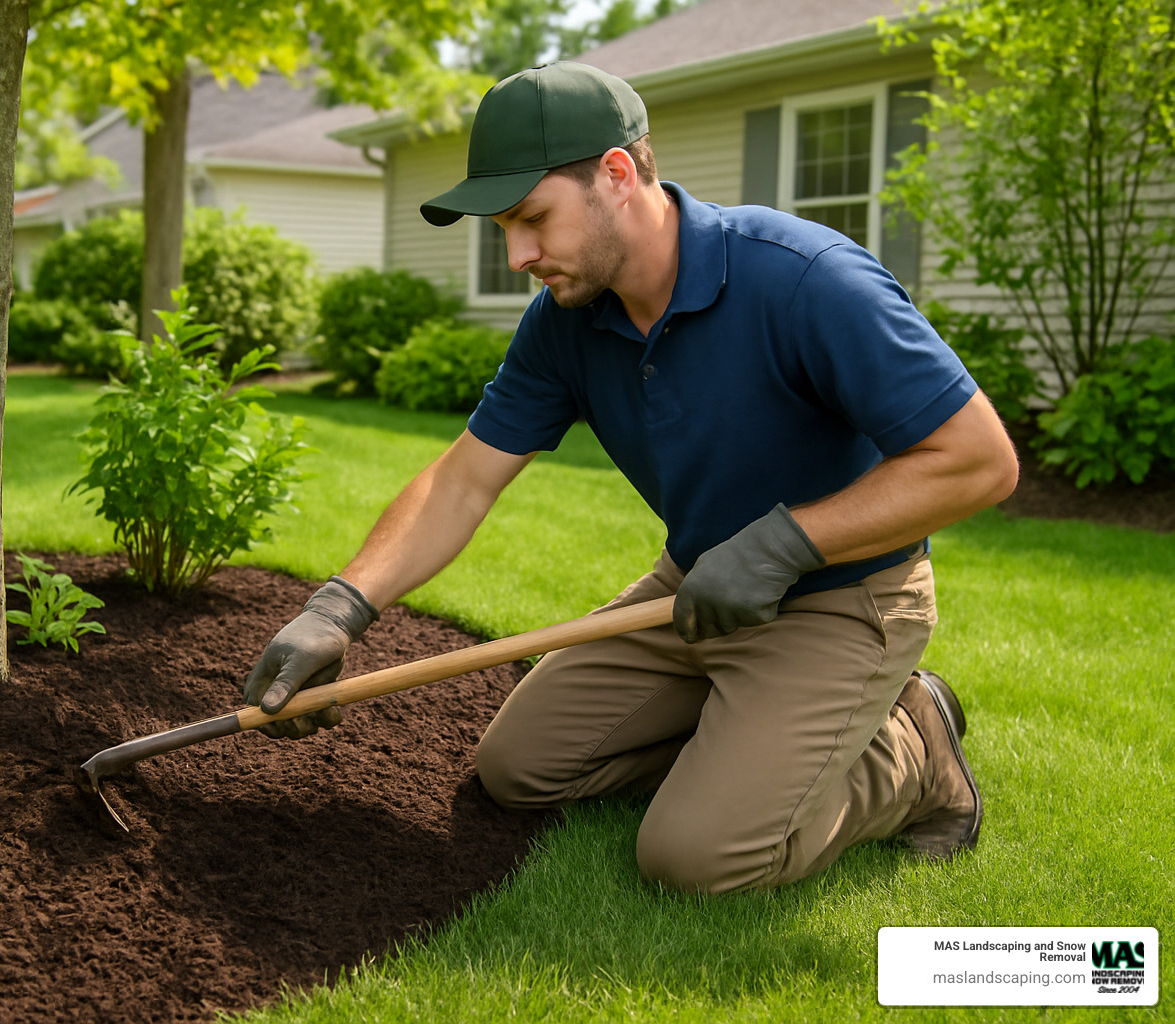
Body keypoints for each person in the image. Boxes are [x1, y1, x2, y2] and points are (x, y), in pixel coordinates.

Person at [242, 62, 1019, 893]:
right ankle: (747, 750)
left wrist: (788, 544)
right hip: (691, 588)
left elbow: (980, 461)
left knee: (695, 858)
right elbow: (463, 480)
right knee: (517, 770)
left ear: (617, 173)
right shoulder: (567, 322)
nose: (516, 255)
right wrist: (338, 608)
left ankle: (914, 748)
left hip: (842, 596)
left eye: (532, 218)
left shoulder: (803, 280)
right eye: (503, 227)